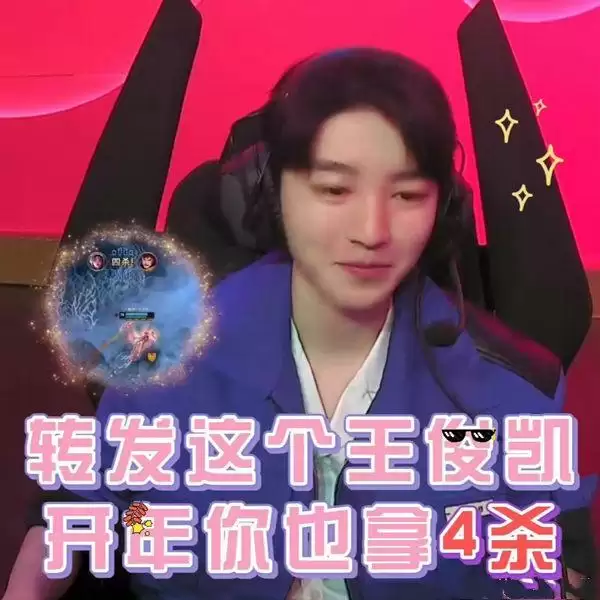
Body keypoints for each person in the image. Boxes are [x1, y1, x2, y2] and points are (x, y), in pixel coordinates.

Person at [3, 48, 596, 600]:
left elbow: (556, 557)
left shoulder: (511, 387)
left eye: (408, 195)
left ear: (442, 209)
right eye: (334, 189)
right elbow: (79, 506)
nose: (372, 230)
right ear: (273, 193)